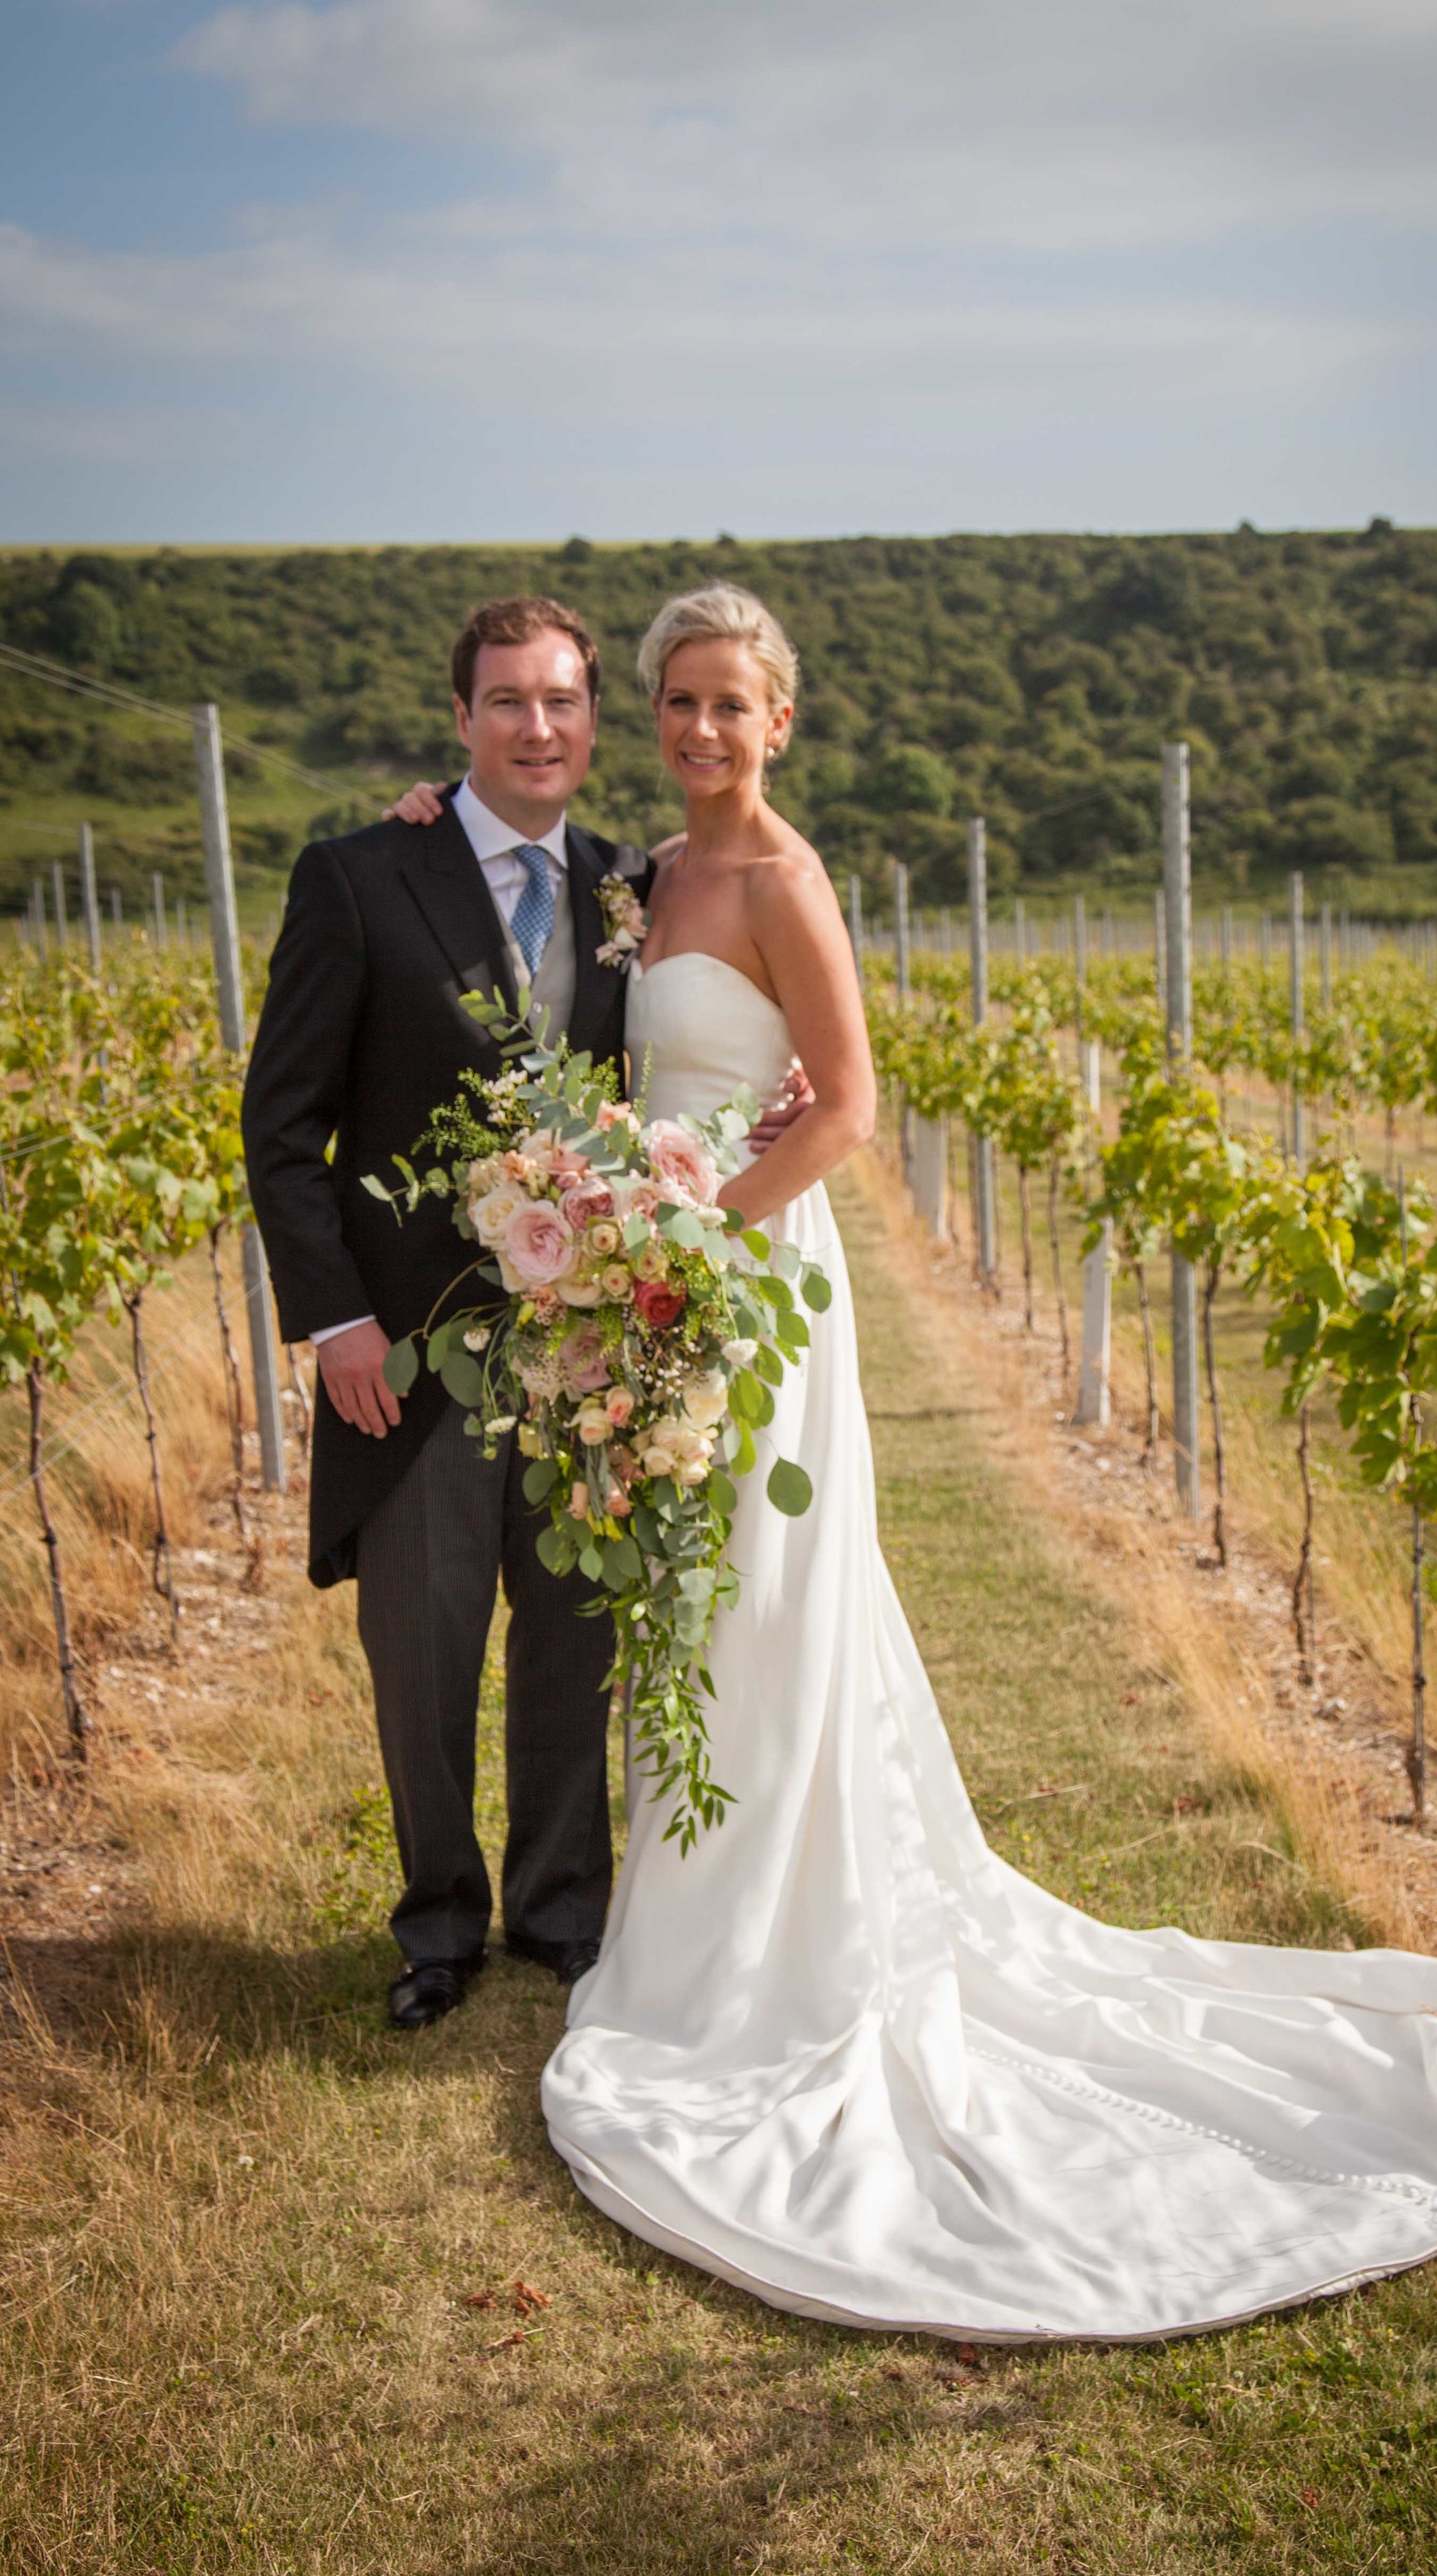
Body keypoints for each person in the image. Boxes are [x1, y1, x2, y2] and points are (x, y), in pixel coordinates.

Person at [390, 580, 1437, 2342]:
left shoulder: (783, 882)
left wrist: (686, 1238)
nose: (703, 730)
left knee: (768, 1605)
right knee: (682, 1608)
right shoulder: (638, 875)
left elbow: (846, 1105)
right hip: (658, 1284)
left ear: (780, 719)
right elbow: (538, 908)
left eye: (732, 704)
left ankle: (771, 1959)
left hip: (746, 1287)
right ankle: (685, 1923)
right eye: (679, 704)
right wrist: (431, 818)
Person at [242, 594, 798, 2033]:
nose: (536, 728)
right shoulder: (362, 876)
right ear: (463, 720)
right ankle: (435, 1925)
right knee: (421, 1656)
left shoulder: (635, 887)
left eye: (561, 701)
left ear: (592, 718)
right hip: (409, 1358)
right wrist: (336, 1324)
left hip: (589, 1352)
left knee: (571, 1640)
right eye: (506, 703)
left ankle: (561, 1913)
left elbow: (692, 1045)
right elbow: (282, 1126)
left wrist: (772, 1100)